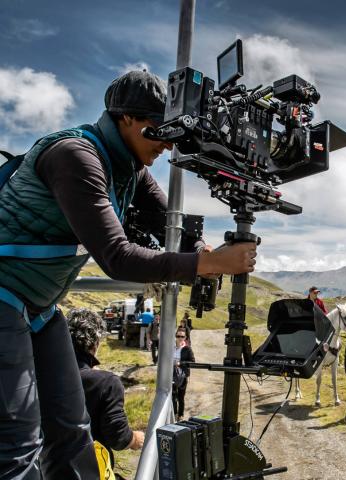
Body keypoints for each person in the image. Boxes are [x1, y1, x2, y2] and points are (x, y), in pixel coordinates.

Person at [0, 69, 256, 478]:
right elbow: (116, 257)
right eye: (158, 132)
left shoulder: (130, 167)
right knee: (17, 441)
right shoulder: (76, 156)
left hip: (39, 307)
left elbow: (166, 221)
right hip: (5, 299)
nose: (167, 144)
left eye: (173, 134)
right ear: (126, 120)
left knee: (71, 425)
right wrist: (208, 265)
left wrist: (202, 250)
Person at [67, 308, 145, 469]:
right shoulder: (106, 382)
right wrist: (135, 439)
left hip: (46, 467)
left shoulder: (45, 374)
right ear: (95, 343)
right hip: (91, 469)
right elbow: (118, 436)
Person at [173, 327, 195, 421]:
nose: (180, 338)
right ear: (175, 336)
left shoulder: (187, 349)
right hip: (171, 375)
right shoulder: (171, 347)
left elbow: (193, 362)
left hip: (182, 376)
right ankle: (174, 413)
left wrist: (180, 363)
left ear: (185, 337)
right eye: (178, 336)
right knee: (172, 396)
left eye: (182, 336)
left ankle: (180, 414)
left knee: (180, 396)